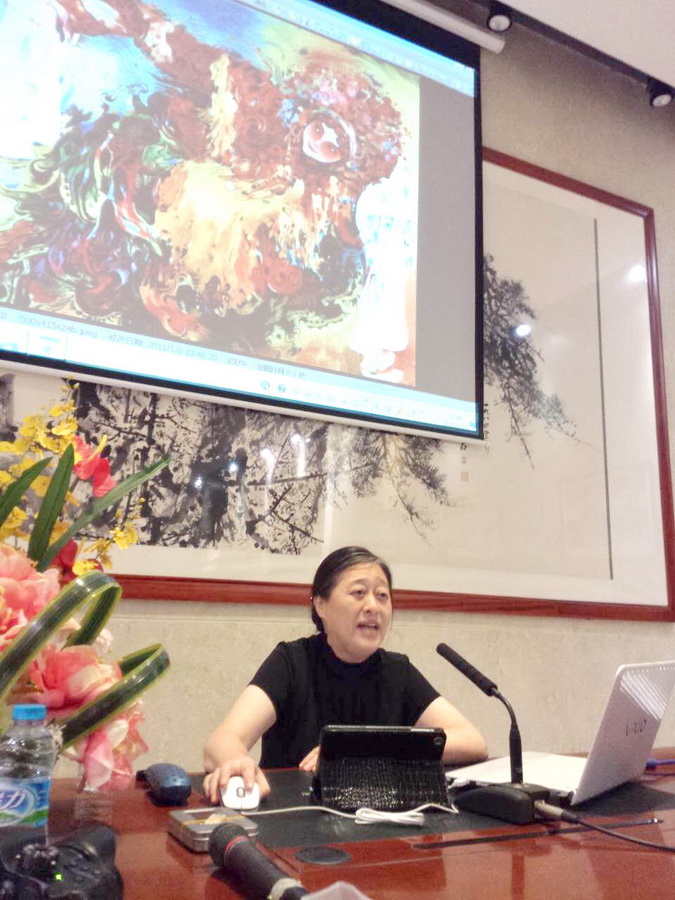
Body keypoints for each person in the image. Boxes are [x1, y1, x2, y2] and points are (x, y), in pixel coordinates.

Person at [203, 546, 487, 802]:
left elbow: (472, 741)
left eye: (382, 596)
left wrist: (366, 752)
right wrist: (235, 760)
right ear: (321, 605)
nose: (373, 607)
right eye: (359, 593)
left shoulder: (397, 671)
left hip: (376, 819)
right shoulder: (292, 661)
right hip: (294, 817)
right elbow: (222, 739)